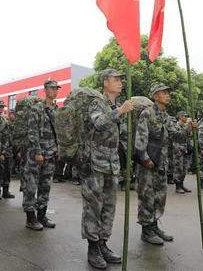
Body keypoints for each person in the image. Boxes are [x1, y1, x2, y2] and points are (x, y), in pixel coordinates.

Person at [80, 68, 133, 270]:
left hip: (112, 164)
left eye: (121, 79)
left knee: (109, 207)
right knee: (93, 207)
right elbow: (99, 123)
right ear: (105, 82)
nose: (120, 82)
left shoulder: (117, 105)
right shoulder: (97, 103)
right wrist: (120, 111)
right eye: (116, 79)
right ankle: (93, 247)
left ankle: (103, 244)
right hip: (94, 164)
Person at [135, 84, 179, 246]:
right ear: (155, 96)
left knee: (160, 196)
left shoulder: (166, 116)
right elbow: (140, 139)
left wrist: (189, 128)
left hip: (161, 163)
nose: (167, 95)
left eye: (168, 92)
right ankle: (146, 230)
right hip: (148, 163)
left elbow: (176, 135)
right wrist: (145, 159)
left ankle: (154, 225)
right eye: (164, 93)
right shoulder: (147, 114)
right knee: (147, 196)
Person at [23, 79, 60, 231]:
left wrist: (58, 149)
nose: (55, 91)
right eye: (52, 88)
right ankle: (30, 218)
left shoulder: (56, 109)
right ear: (45, 90)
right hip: (37, 155)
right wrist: (37, 152)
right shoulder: (36, 108)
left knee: (45, 186)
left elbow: (58, 131)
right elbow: (32, 132)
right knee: (31, 185)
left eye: (56, 88)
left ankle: (41, 215)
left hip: (51, 153)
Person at [173, 111, 195, 194]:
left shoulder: (186, 126)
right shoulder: (175, 126)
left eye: (187, 116)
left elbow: (190, 136)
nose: (186, 117)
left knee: (184, 169)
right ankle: (177, 186)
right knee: (178, 168)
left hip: (186, 150)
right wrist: (187, 128)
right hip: (178, 150)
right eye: (185, 116)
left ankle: (181, 184)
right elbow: (177, 136)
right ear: (180, 117)